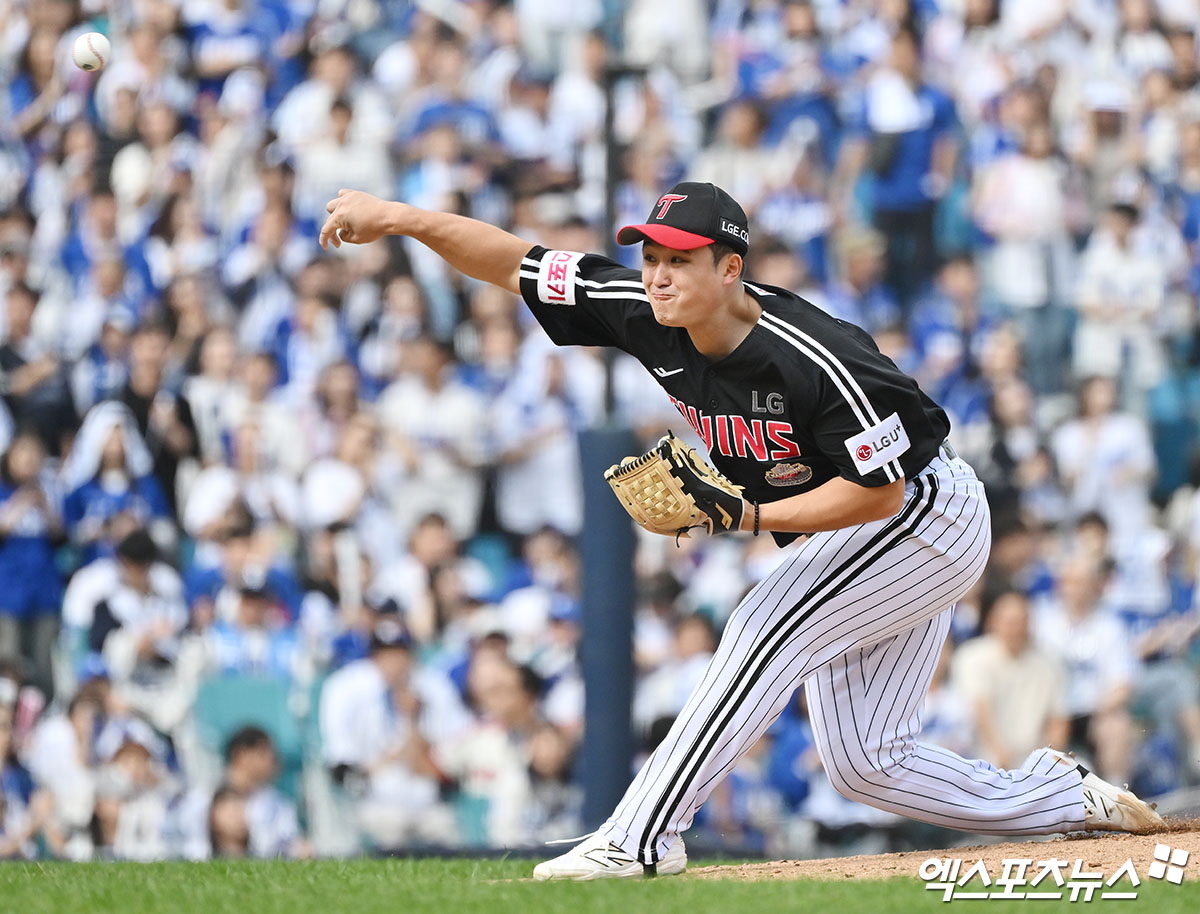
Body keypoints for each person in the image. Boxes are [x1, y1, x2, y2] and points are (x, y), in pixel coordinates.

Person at [318, 181, 1164, 881]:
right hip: (854, 529)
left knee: (761, 626)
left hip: (923, 518)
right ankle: (1062, 799)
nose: (656, 273)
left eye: (677, 259)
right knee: (865, 761)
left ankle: (641, 837)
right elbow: (514, 262)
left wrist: (743, 512)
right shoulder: (642, 308)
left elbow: (878, 493)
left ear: (730, 269)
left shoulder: (816, 355)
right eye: (649, 254)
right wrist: (399, 218)